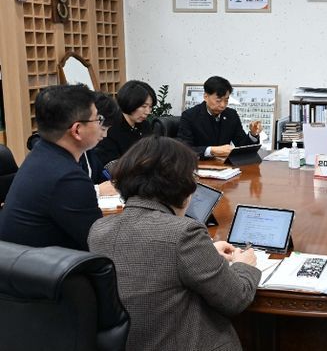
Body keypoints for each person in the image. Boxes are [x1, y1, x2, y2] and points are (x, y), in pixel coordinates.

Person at [88, 136, 261, 350]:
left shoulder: (99, 229)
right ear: (183, 187)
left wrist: (206, 252)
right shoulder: (184, 234)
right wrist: (244, 265)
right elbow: (236, 299)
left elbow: (153, 259)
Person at [0, 84, 104, 250]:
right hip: (45, 264)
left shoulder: (41, 154)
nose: (100, 125)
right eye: (97, 119)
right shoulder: (67, 178)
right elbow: (100, 241)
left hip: (23, 260)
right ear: (77, 130)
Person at [177, 76, 261, 159]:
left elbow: (242, 146)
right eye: (218, 100)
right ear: (206, 97)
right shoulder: (189, 116)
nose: (223, 105)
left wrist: (253, 134)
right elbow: (184, 149)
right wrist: (211, 150)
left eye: (226, 100)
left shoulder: (231, 115)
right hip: (199, 164)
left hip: (224, 165)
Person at [94, 80, 156, 166]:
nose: (148, 112)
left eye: (150, 107)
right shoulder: (110, 128)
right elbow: (110, 164)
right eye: (144, 106)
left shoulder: (145, 125)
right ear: (130, 102)